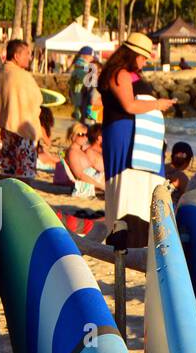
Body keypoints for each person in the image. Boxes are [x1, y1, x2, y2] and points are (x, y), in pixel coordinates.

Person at [98, 32, 175, 248]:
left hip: (132, 134)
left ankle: (137, 235)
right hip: (125, 134)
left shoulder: (124, 73)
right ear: (131, 54)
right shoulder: (119, 74)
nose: (144, 61)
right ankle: (125, 235)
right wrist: (157, 105)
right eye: (142, 56)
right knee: (127, 184)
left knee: (137, 185)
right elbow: (129, 105)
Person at [0, 38, 42, 179]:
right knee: (25, 172)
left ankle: (3, 200)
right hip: (22, 128)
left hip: (7, 127)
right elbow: (37, 99)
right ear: (16, 56)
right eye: (27, 54)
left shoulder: (1, 72)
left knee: (7, 169)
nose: (29, 58)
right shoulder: (22, 75)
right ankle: (23, 201)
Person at [54, 122, 104, 198]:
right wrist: (101, 186)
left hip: (94, 180)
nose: (85, 138)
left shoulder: (81, 150)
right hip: (86, 183)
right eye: (81, 135)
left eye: (86, 135)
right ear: (72, 136)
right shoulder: (72, 153)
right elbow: (79, 175)